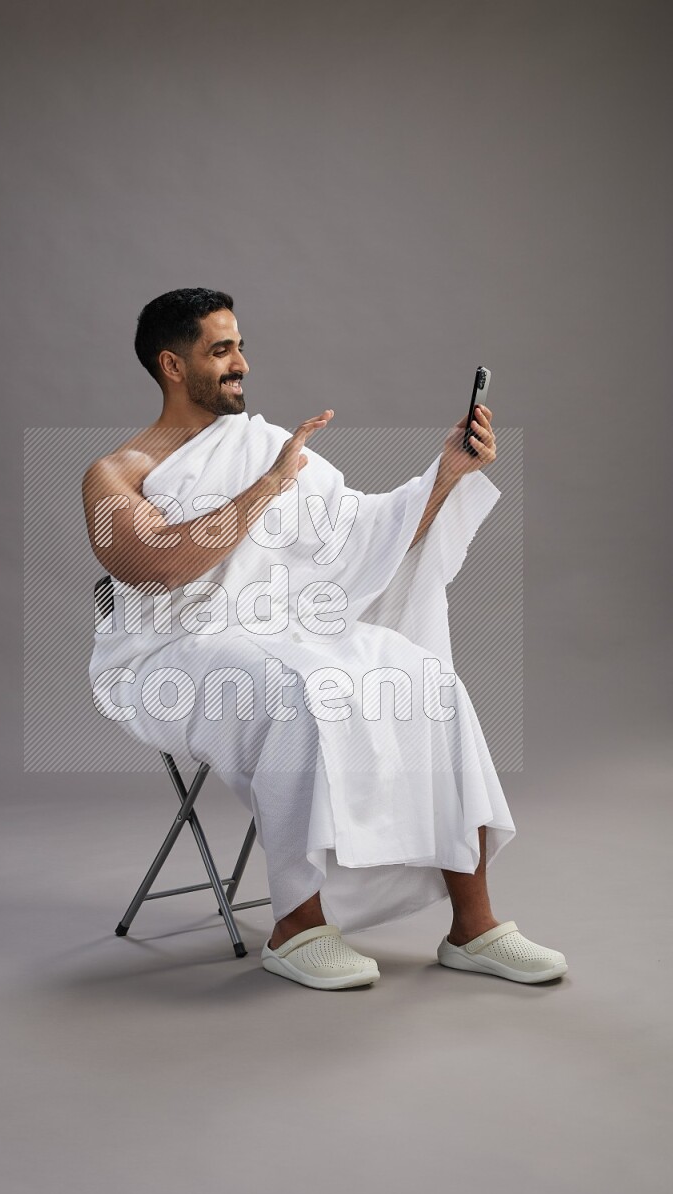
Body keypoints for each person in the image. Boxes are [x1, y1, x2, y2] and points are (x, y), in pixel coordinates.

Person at [82, 287, 568, 991]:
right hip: (172, 653)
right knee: (296, 692)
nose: (241, 364)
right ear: (172, 365)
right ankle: (297, 927)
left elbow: (365, 535)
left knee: (425, 678)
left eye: (241, 346)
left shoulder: (265, 445)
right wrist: (268, 486)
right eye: (221, 350)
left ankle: (473, 926)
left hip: (285, 628)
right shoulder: (116, 473)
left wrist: (447, 473)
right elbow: (153, 566)